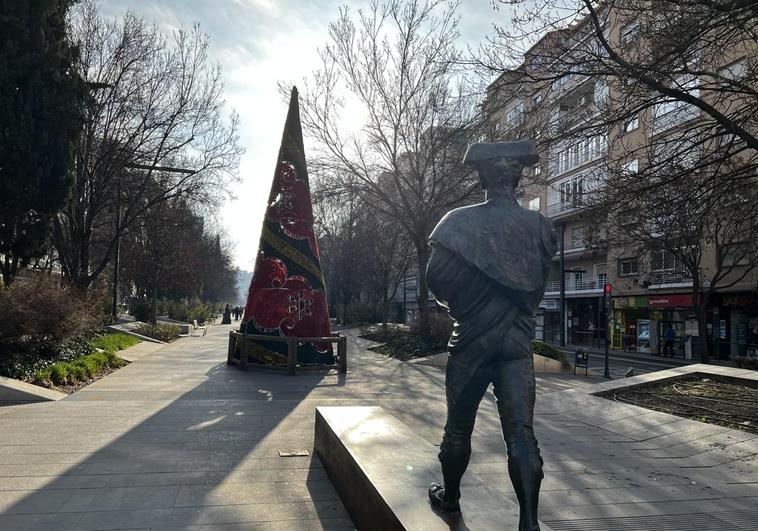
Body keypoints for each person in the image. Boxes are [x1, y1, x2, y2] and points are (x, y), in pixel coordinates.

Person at [425, 140, 556, 531]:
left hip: (471, 342)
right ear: (517, 178)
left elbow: (437, 279)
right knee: (521, 434)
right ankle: (528, 522)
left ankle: (450, 499)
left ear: (481, 176)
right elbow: (537, 287)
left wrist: (468, 301)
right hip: (516, 343)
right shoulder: (539, 226)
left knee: (458, 426)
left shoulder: (457, 222)